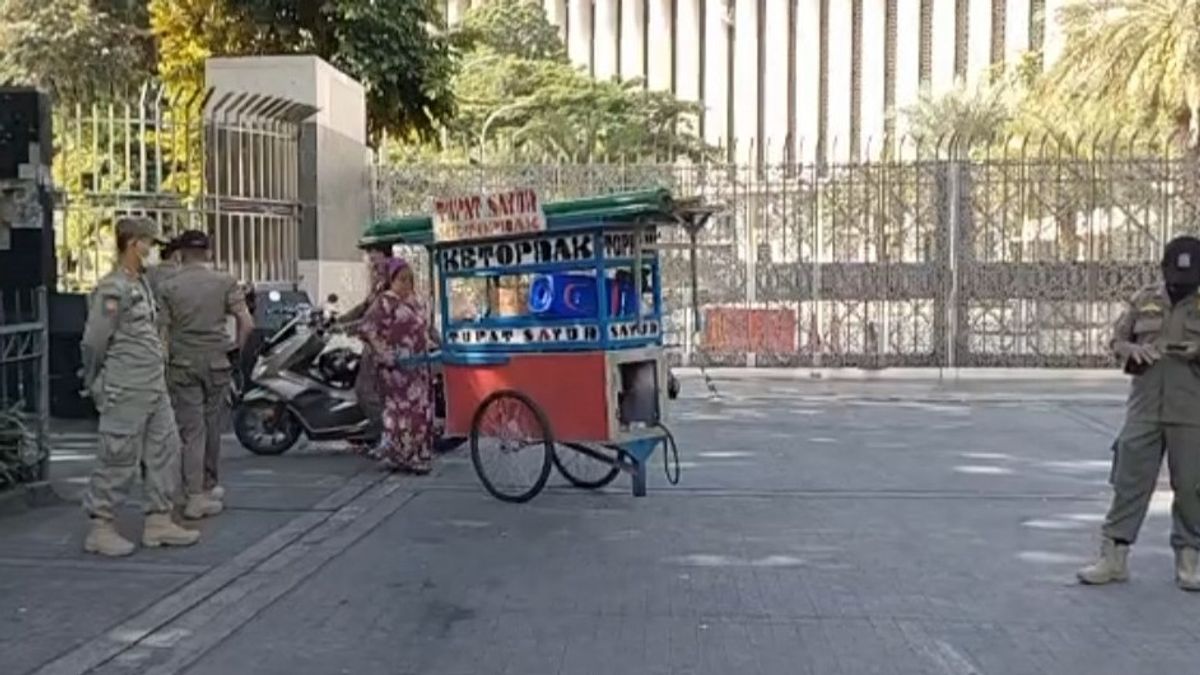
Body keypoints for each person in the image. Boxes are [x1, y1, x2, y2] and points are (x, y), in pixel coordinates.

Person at [1078, 235, 1200, 591]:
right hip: (1144, 407)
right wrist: (1131, 349)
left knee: (1192, 486)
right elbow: (1116, 341)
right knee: (1129, 481)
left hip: (1192, 410)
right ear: (1163, 268)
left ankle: (1189, 557)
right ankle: (1114, 556)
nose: (1182, 282)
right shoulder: (1144, 298)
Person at [79, 217, 200, 556]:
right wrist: (94, 380)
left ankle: (159, 521)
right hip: (126, 385)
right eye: (149, 243)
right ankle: (100, 526)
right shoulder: (112, 289)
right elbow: (94, 342)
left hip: (152, 385)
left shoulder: (142, 284)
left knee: (165, 449)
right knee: (118, 455)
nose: (152, 250)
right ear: (134, 243)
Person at [157, 230, 254, 519]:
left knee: (191, 429)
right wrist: (236, 349)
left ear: (181, 253)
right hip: (217, 362)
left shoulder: (168, 285)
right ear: (209, 253)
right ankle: (208, 486)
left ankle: (192, 493)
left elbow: (160, 331)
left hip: (182, 363)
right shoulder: (225, 282)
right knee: (212, 425)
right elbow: (247, 323)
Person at [357, 257, 435, 473]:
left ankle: (419, 454)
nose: (406, 284)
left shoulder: (415, 302)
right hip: (396, 370)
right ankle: (402, 456)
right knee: (400, 413)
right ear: (391, 280)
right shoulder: (384, 303)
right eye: (401, 279)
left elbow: (422, 329)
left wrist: (430, 344)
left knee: (421, 411)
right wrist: (383, 352)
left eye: (409, 280)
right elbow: (367, 329)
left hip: (418, 366)